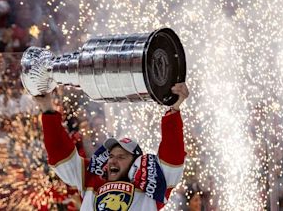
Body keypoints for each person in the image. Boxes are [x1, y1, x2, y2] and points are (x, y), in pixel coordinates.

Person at [35, 82, 189, 210]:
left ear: (135, 163)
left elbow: (172, 158)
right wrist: (47, 109)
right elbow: (62, 157)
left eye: (121, 157)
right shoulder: (90, 178)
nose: (113, 160)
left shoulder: (151, 186)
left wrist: (174, 110)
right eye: (111, 156)